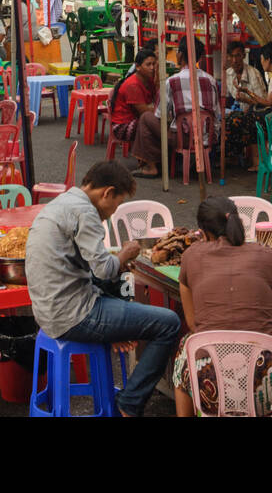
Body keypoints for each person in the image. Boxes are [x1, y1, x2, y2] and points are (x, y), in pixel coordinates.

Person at [25, 160, 181, 418]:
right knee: (169, 323)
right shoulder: (85, 213)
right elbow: (104, 270)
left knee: (122, 283)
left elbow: (93, 271)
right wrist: (126, 253)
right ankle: (129, 405)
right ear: (107, 192)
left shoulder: (62, 203)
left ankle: (115, 330)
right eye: (117, 204)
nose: (112, 212)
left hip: (48, 311)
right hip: (72, 316)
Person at [173, 195, 272, 417]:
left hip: (209, 386)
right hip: (271, 384)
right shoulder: (268, 256)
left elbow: (193, 323)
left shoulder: (190, 257)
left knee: (186, 346)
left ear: (203, 233)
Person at [132, 38, 219, 179]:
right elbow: (216, 114)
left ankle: (151, 166)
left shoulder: (172, 81)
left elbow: (160, 114)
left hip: (183, 138)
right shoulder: (211, 80)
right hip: (207, 137)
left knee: (146, 118)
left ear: (181, 55)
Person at [225, 42, 266, 169]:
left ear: (243, 56)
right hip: (240, 112)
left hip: (258, 114)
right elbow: (227, 98)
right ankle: (233, 157)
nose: (234, 60)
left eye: (237, 56)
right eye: (231, 56)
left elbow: (263, 103)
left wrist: (246, 100)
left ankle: (243, 158)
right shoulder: (228, 74)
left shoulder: (253, 74)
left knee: (235, 120)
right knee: (225, 119)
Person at [110, 48, 158, 149]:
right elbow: (145, 112)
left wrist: (157, 79)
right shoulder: (133, 85)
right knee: (156, 128)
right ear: (138, 67)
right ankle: (148, 158)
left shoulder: (149, 80)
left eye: (154, 64)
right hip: (122, 127)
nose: (152, 68)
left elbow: (158, 99)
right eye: (148, 64)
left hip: (137, 119)